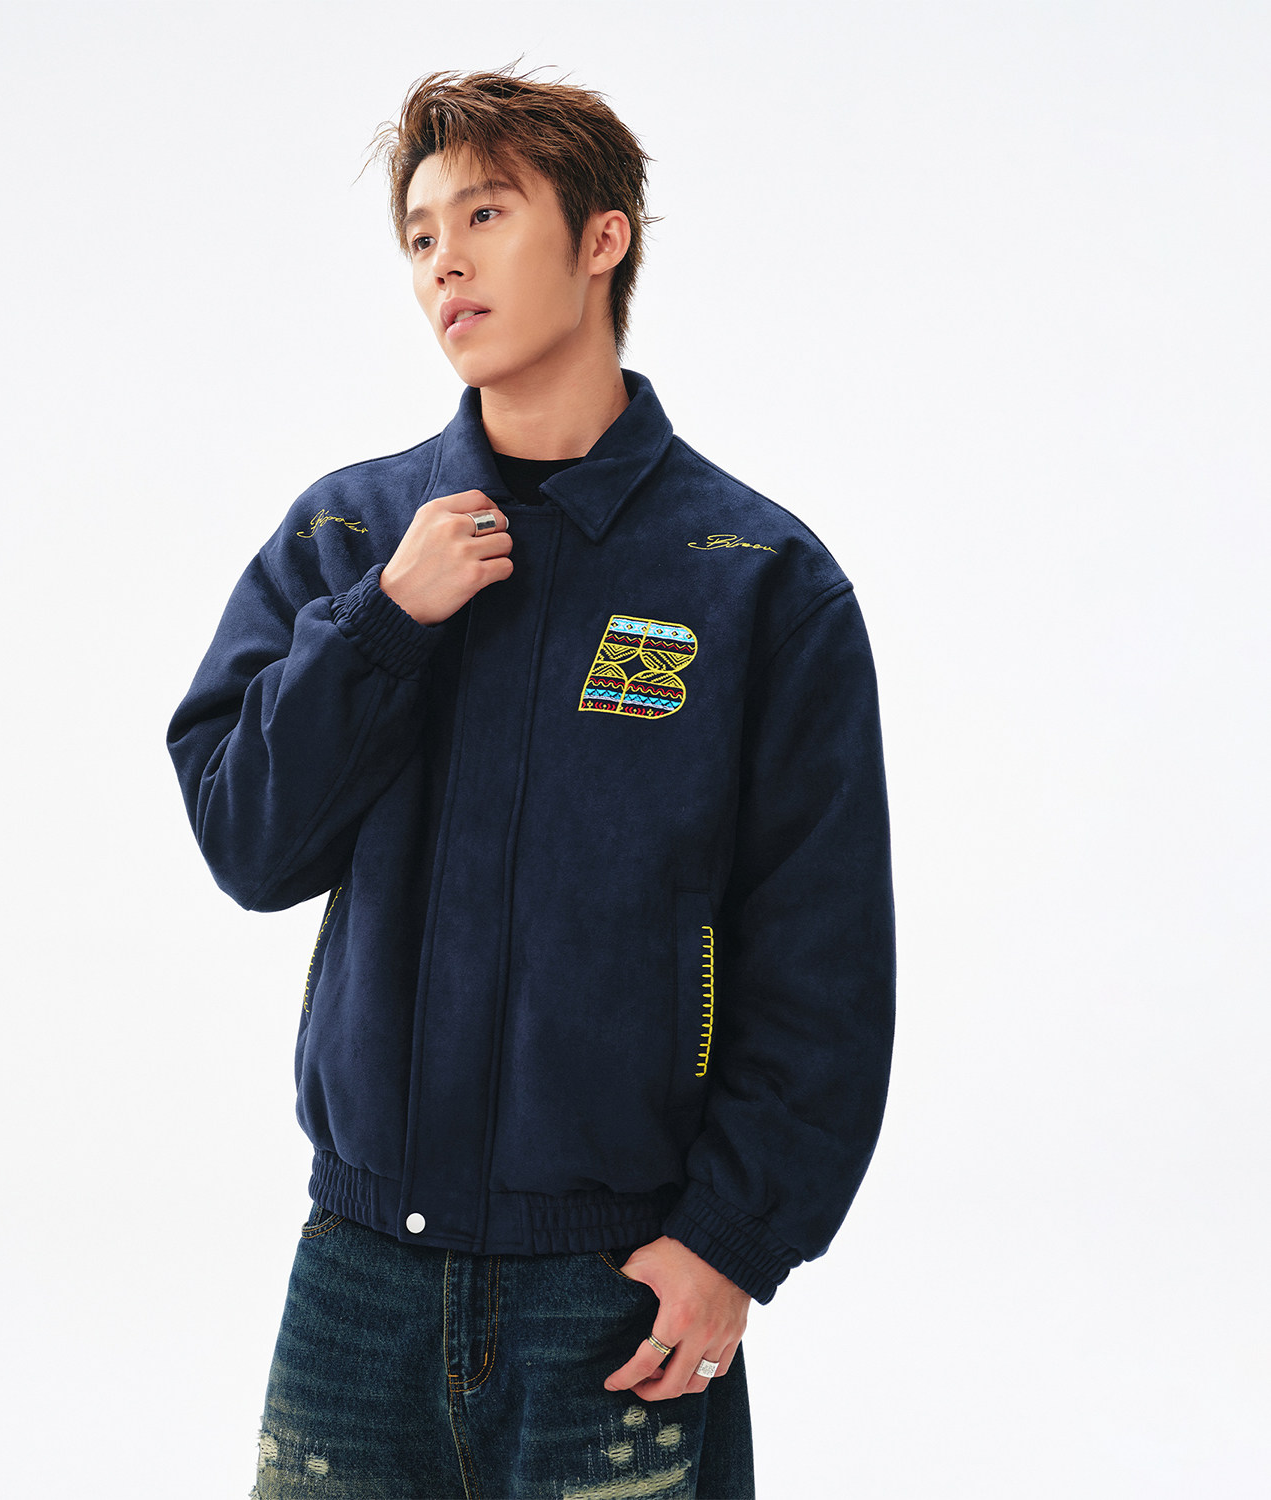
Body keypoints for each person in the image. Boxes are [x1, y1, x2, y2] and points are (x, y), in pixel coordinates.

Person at [166, 63, 895, 1500]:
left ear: (603, 238)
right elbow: (248, 841)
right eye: (421, 234)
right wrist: (383, 624)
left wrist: (732, 1241)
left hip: (614, 1292)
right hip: (359, 1283)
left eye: (486, 215)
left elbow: (822, 954)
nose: (445, 261)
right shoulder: (349, 537)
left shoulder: (755, 580)